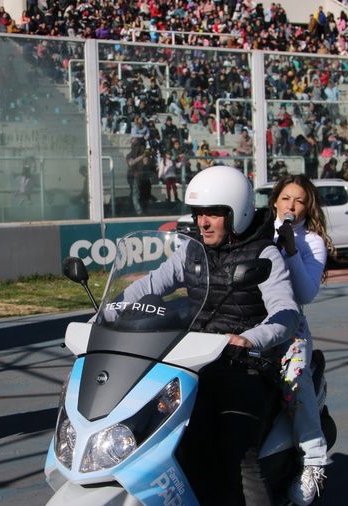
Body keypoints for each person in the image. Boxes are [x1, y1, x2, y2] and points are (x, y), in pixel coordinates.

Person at [118, 166, 300, 505]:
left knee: (238, 454)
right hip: (193, 364)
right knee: (163, 437)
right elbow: (150, 284)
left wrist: (248, 340)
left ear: (237, 214)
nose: (203, 222)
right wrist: (112, 310)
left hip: (245, 366)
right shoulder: (191, 251)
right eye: (199, 213)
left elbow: (285, 315)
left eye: (214, 213)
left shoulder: (264, 254)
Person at [269, 175, 332, 505]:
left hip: (290, 325)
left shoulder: (312, 242)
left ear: (308, 207)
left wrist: (291, 249)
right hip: (249, 322)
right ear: (275, 200)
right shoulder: (258, 231)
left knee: (295, 383)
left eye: (300, 201)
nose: (291, 206)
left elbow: (306, 292)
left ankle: (314, 460)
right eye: (285, 198)